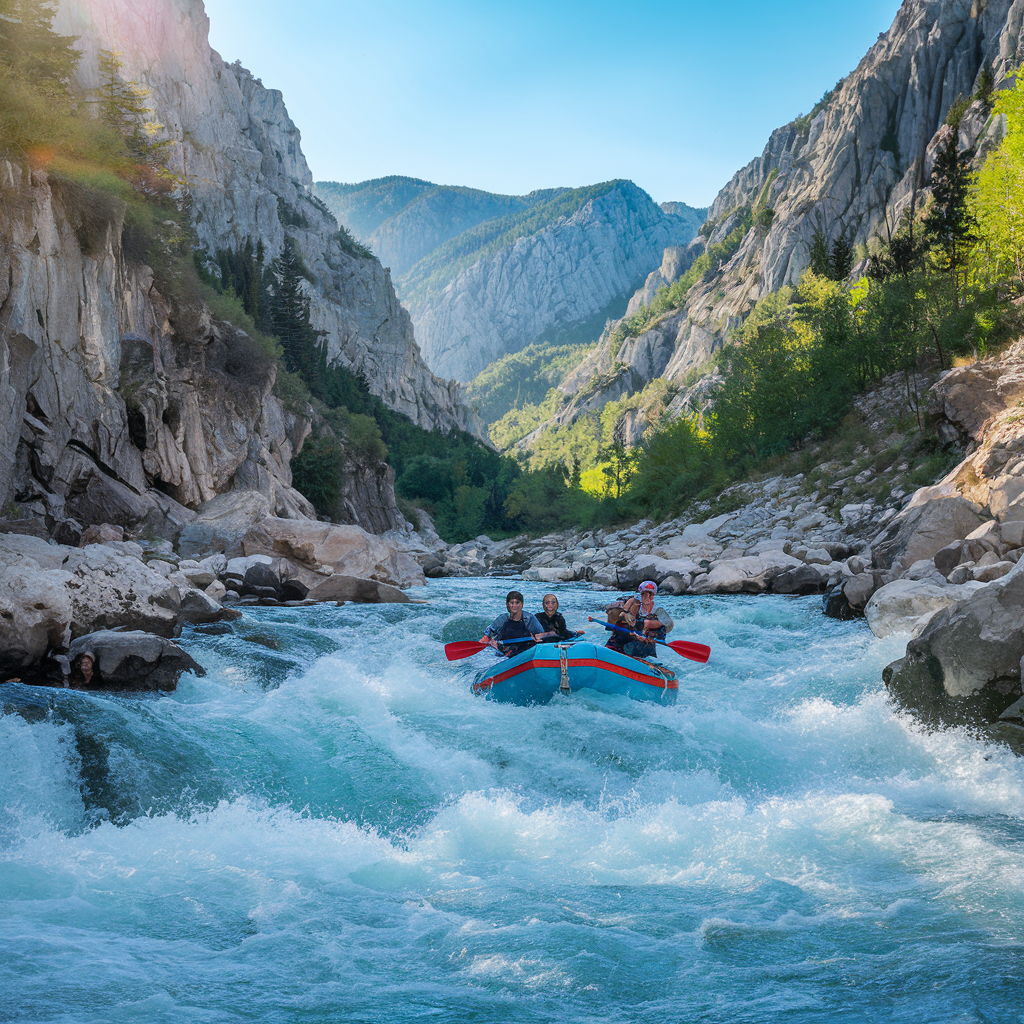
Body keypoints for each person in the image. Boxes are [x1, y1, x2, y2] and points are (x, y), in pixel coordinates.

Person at [480, 591, 545, 657]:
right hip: (505, 654)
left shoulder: (529, 619)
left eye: (517, 602)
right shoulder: (502, 619)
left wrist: (538, 638)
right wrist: (489, 642)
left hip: (525, 652)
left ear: (522, 604)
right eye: (512, 603)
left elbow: (542, 636)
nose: (514, 606)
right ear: (507, 604)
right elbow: (486, 636)